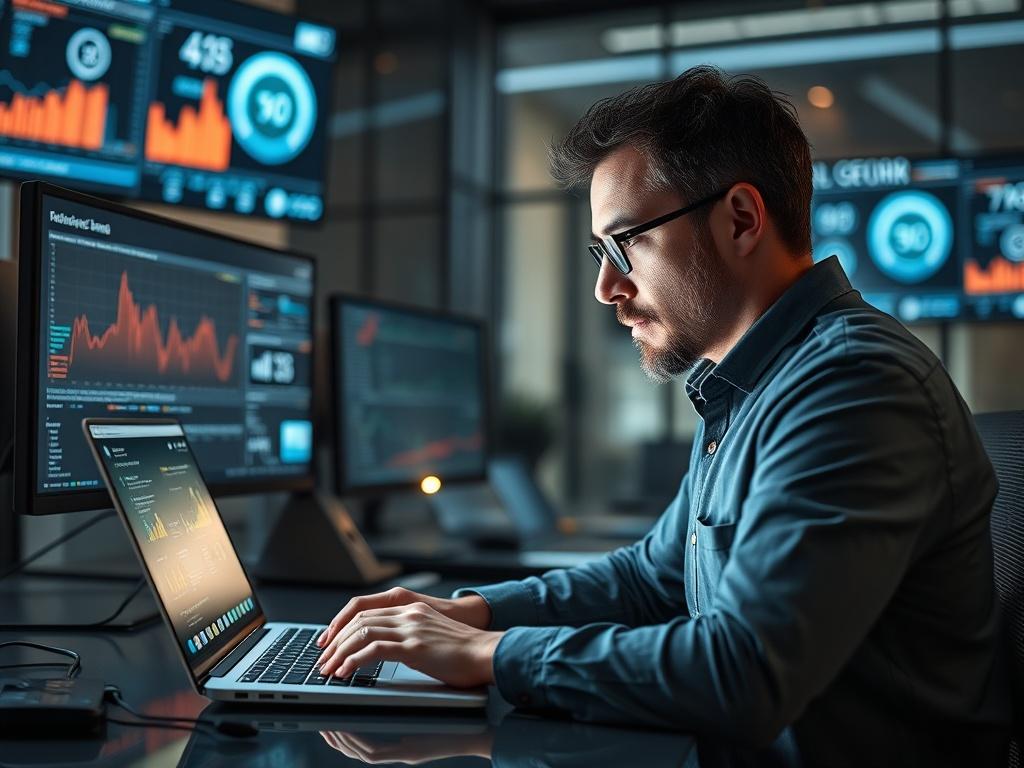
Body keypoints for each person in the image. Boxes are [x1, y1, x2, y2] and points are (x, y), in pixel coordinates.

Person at [314, 66, 1011, 763]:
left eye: (627, 243)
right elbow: (651, 579)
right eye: (601, 252)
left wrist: (486, 653)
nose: (605, 287)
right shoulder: (747, 385)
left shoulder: (852, 385)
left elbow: (742, 671)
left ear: (741, 220)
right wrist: (472, 613)